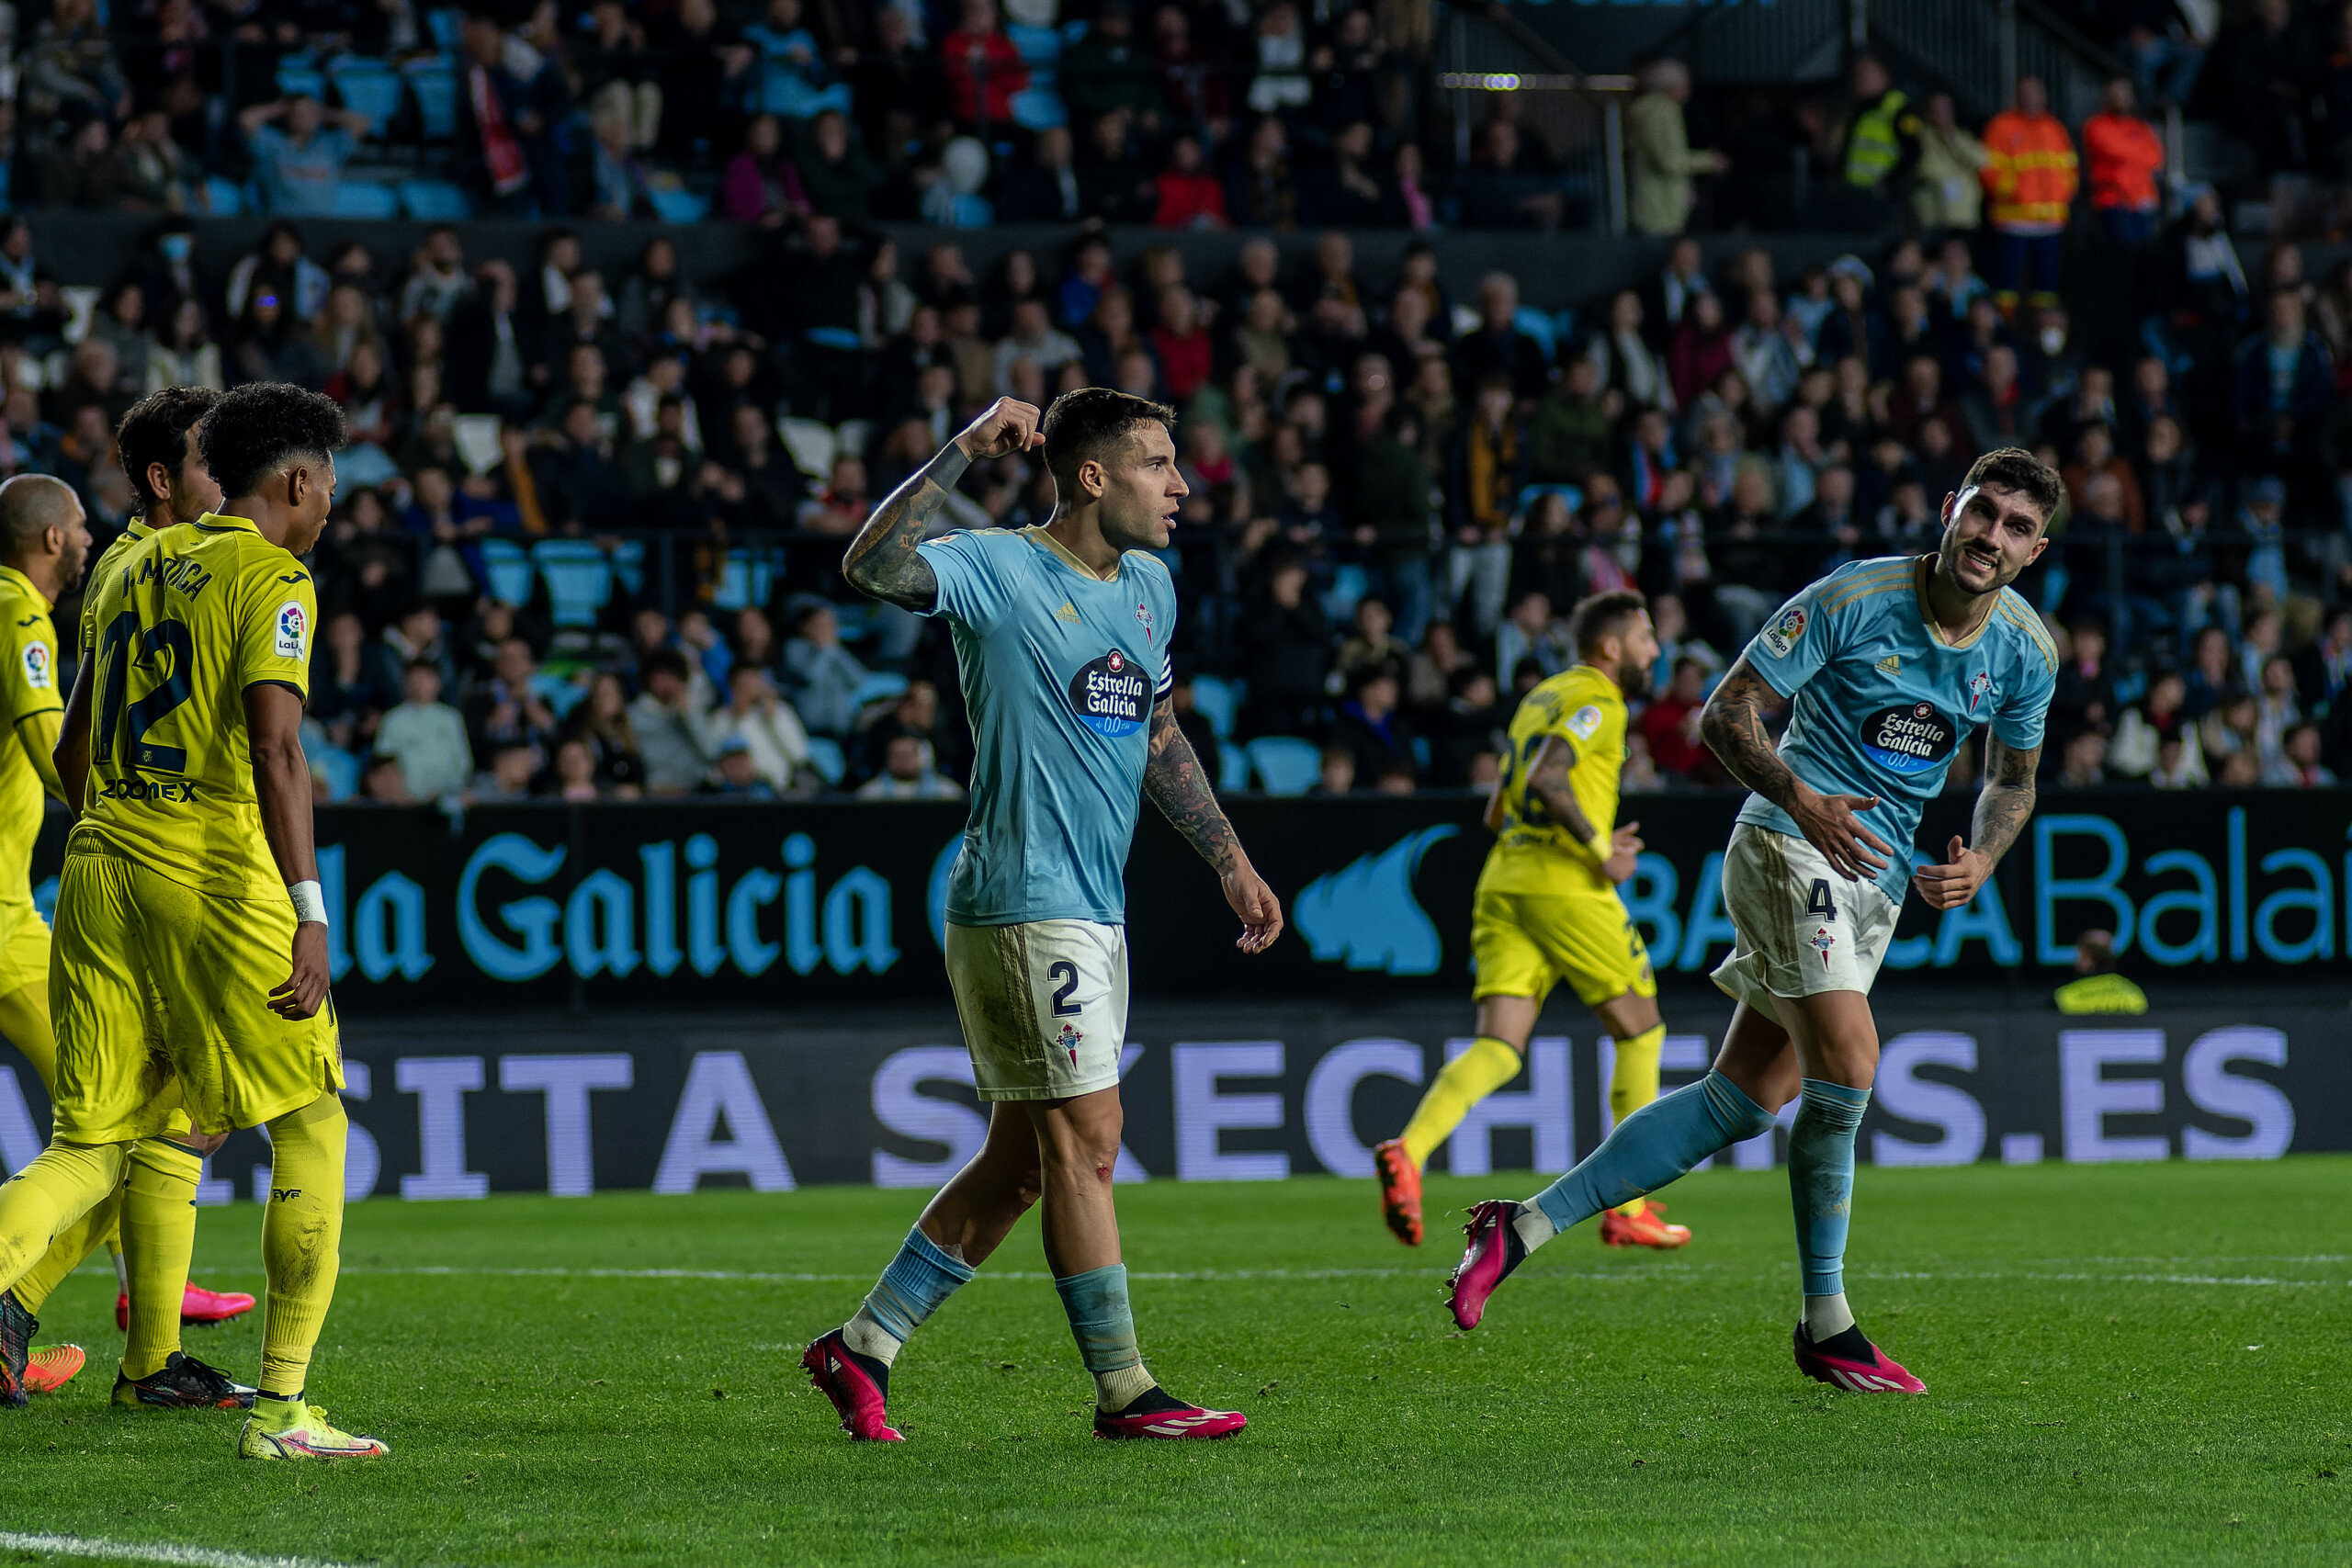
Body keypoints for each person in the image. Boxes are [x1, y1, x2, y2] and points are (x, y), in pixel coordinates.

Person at [1446, 446, 2064, 1401]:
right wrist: (1802, 795)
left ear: (2035, 550)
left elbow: (2011, 782)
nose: (1992, 536)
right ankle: (1829, 1323)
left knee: (1737, 1101)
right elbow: (1725, 712)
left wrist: (1982, 856)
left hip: (1874, 882)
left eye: (2016, 527)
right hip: (1786, 841)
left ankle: (1520, 1226)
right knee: (1850, 1062)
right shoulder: (1853, 598)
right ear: (1950, 510)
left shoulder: (2026, 652)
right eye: (1982, 512)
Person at [808, 389, 1283, 1445]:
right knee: (1090, 1143)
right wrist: (963, 449)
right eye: (1157, 464)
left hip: (1094, 909)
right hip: (1022, 904)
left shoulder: (1150, 587)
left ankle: (863, 1345)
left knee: (1026, 1162)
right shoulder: (998, 567)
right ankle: (1126, 1392)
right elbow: (872, 567)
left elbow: (1158, 732)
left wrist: (1229, 858)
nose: (1182, 485)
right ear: (1093, 477)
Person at [0, 385, 387, 1458]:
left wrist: (123, 822)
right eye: (329, 488)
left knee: (93, 1139)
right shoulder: (275, 578)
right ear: (297, 481)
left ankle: (143, 1356)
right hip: (208, 877)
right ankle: (282, 1412)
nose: (330, 507)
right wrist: (308, 911)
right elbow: (276, 749)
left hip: (94, 869)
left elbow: (73, 750)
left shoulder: (128, 566)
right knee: (310, 1121)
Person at [1372, 589, 1690, 1251]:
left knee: (1499, 1044)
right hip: (1563, 886)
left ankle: (1410, 1149)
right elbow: (1548, 778)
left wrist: (1586, 832)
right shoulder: (1601, 700)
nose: (1654, 651)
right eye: (1645, 638)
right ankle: (1628, 1204)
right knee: (1641, 1030)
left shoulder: (1541, 697)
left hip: (1505, 876)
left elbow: (1497, 810)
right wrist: (1599, 850)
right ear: (1611, 646)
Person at [1980, 77, 2078, 314]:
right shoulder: (2001, 126)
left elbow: (2070, 167)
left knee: (2046, 286)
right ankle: (2004, 325)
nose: (2032, 97)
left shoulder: (2054, 128)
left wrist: (2062, 195)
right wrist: (2014, 192)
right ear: (2017, 95)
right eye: (2026, 92)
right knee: (2006, 283)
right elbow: (1989, 169)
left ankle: (2043, 329)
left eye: (2036, 92)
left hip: (2050, 220)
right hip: (2013, 219)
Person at [2053, 930, 2148, 1014]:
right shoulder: (2135, 994)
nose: (2076, 961)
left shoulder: (2064, 996)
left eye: (2079, 955)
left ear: (2088, 957)